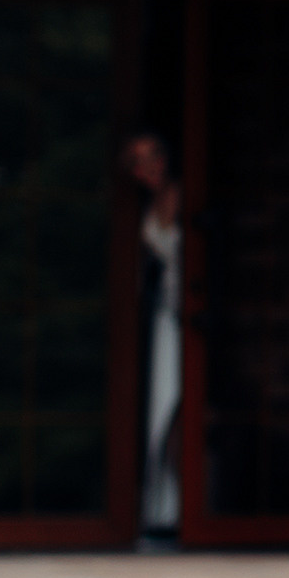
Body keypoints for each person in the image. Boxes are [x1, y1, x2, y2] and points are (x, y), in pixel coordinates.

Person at [123, 132, 182, 543]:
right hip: (163, 315)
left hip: (187, 314)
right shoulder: (139, 207)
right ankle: (159, 510)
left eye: (153, 156)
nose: (148, 168)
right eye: (136, 161)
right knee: (159, 410)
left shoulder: (185, 195)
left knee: (180, 410)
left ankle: (181, 509)